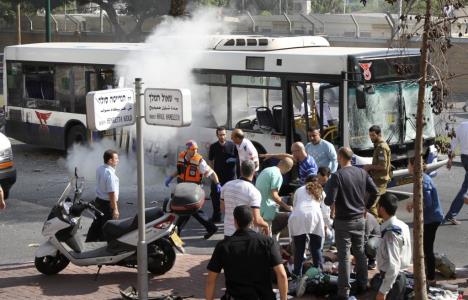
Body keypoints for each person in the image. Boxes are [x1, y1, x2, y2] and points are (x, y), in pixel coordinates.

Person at [324, 147, 379, 299]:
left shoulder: (337, 176)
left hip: (343, 222)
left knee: (344, 256)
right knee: (360, 252)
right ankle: (362, 284)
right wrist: (366, 207)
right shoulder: (362, 173)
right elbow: (376, 191)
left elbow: (329, 200)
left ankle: (344, 292)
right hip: (360, 219)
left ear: (340, 157)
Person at [205, 205, 288, 300]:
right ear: (252, 221)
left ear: (235, 221)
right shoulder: (267, 242)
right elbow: (281, 275)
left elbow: (211, 280)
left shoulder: (223, 246)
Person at [165, 140, 219, 239]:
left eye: (196, 149)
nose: (195, 151)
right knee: (189, 211)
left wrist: (217, 183)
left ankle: (175, 235)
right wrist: (170, 177)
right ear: (187, 150)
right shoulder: (182, 157)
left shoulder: (199, 161)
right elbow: (179, 170)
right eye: (192, 149)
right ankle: (211, 228)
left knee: (186, 210)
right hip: (183, 188)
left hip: (194, 190)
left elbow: (211, 173)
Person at [406, 157, 444, 285]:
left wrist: (414, 205)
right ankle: (424, 273)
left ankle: (431, 278)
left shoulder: (423, 180)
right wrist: (412, 204)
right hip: (430, 218)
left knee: (427, 248)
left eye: (408, 164)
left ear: (413, 166)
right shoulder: (420, 178)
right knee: (424, 247)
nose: (407, 167)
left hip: (432, 219)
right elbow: (421, 199)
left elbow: (426, 201)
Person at [372, 193, 412, 300]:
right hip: (398, 279)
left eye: (378, 206)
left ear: (382, 208)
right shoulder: (403, 226)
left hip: (392, 282)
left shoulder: (391, 232)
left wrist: (383, 291)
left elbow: (394, 265)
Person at [221, 160, 269, 237]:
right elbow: (257, 220)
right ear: (254, 172)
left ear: (241, 170)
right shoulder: (254, 192)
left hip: (228, 233)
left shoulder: (226, 185)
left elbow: (223, 209)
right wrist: (266, 225)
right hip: (247, 236)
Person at [288, 179, 325, 276]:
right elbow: (325, 210)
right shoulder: (321, 191)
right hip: (315, 216)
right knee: (316, 248)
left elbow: (295, 205)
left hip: (298, 216)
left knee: (299, 248)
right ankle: (319, 273)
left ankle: (297, 274)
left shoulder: (299, 189)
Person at [86, 149, 120, 242]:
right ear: (110, 160)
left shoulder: (100, 168)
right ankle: (103, 246)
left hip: (98, 201)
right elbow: (112, 193)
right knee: (107, 227)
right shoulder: (110, 175)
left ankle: (89, 242)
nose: (118, 160)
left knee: (96, 224)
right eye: (116, 158)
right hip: (107, 204)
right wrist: (115, 209)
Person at [255, 158, 294, 234]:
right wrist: (287, 207)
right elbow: (274, 195)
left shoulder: (267, 170)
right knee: (266, 236)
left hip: (257, 207)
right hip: (266, 209)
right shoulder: (278, 175)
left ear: (279, 162)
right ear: (289, 169)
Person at [208, 126, 238, 222]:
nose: (222, 137)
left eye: (224, 134)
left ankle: (231, 217)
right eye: (220, 135)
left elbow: (239, 158)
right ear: (217, 135)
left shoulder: (233, 145)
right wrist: (212, 173)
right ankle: (217, 215)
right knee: (215, 195)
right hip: (218, 177)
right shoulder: (213, 147)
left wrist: (234, 160)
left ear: (226, 135)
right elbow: (210, 160)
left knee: (230, 197)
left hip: (230, 177)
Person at [364, 125, 392, 219]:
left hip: (379, 181)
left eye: (373, 135)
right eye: (370, 135)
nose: (371, 138)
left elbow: (382, 166)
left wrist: (369, 167)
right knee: (378, 205)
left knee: (372, 205)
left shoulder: (381, 147)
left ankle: (377, 224)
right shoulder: (378, 146)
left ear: (379, 134)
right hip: (377, 180)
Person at [444, 121, 468, 225]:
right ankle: (451, 215)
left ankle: (451, 214)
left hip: (464, 158)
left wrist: (450, 159)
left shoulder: (462, 125)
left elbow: (453, 141)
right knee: (465, 188)